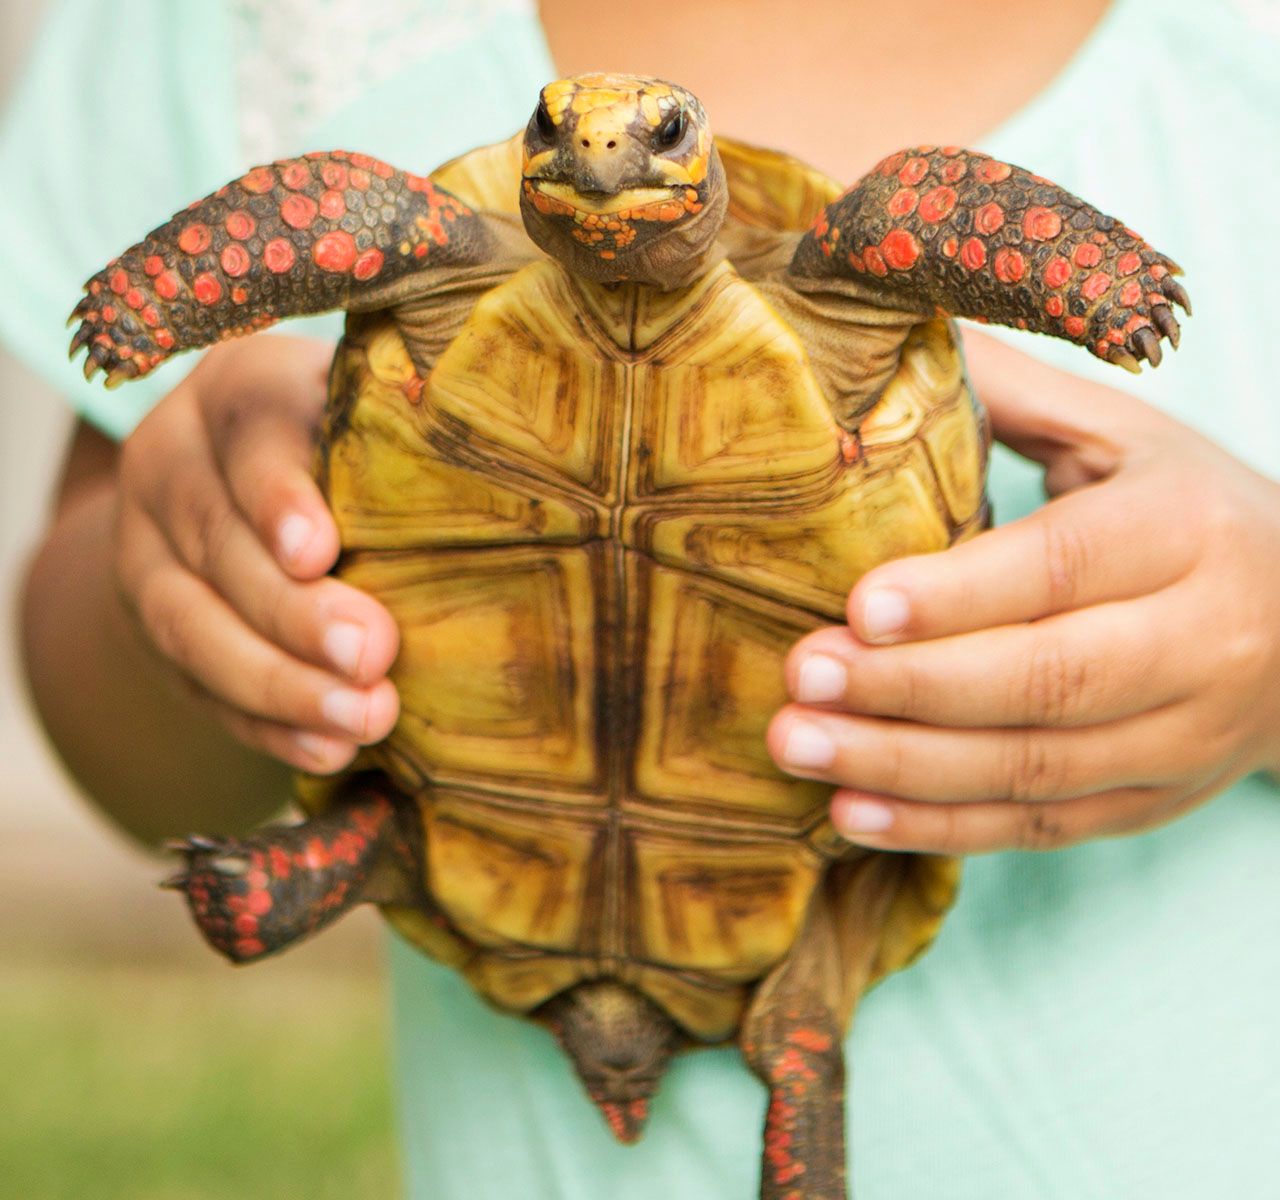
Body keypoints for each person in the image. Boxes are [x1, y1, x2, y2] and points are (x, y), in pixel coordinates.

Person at [6, 0, 1279, 1195]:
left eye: (652, 138)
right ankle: (369, 849)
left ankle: (373, 865)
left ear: (704, 165)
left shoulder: (876, 255)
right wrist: (176, 563)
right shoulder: (292, 82)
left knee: (798, 1029)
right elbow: (108, 659)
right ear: (531, 156)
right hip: (482, 821)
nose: (608, 160)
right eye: (566, 136)